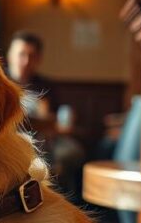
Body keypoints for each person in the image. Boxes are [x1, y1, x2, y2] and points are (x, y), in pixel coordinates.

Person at [5, 31, 85, 199]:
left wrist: (55, 120)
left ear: (38, 59)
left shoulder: (46, 86)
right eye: (21, 54)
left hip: (47, 138)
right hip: (10, 138)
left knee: (70, 153)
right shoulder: (0, 82)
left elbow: (60, 118)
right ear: (10, 55)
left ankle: (63, 200)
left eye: (31, 56)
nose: (25, 61)